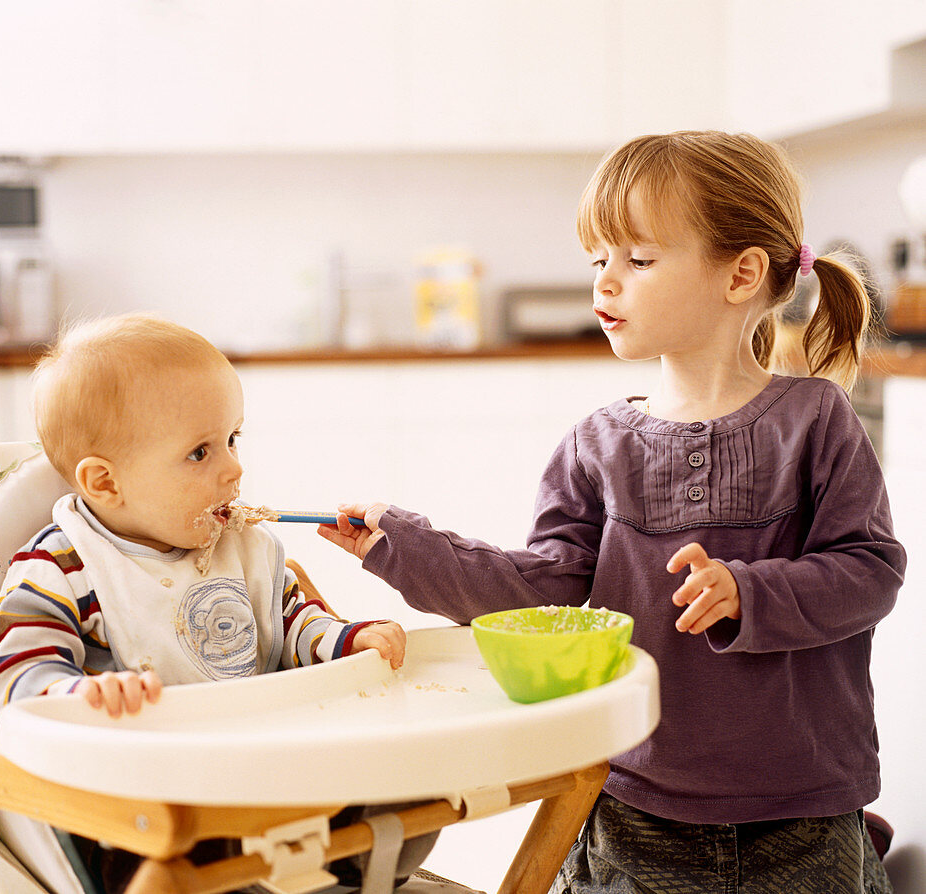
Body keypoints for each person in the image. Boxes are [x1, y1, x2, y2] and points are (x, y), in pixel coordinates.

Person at [319, 131, 906, 894]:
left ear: (743, 274)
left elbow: (869, 572)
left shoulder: (817, 421)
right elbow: (548, 594)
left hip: (804, 818)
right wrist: (407, 550)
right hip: (628, 807)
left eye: (638, 260)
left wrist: (749, 592)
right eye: (599, 260)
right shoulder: (595, 445)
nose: (605, 284)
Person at [0, 313, 427, 892]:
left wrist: (345, 640)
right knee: (146, 855)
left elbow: (292, 621)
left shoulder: (243, 549)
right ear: (104, 484)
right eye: (200, 453)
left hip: (271, 775)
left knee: (417, 775)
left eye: (232, 439)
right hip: (150, 807)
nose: (234, 468)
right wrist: (80, 694)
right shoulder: (63, 567)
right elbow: (15, 679)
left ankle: (340, 861)